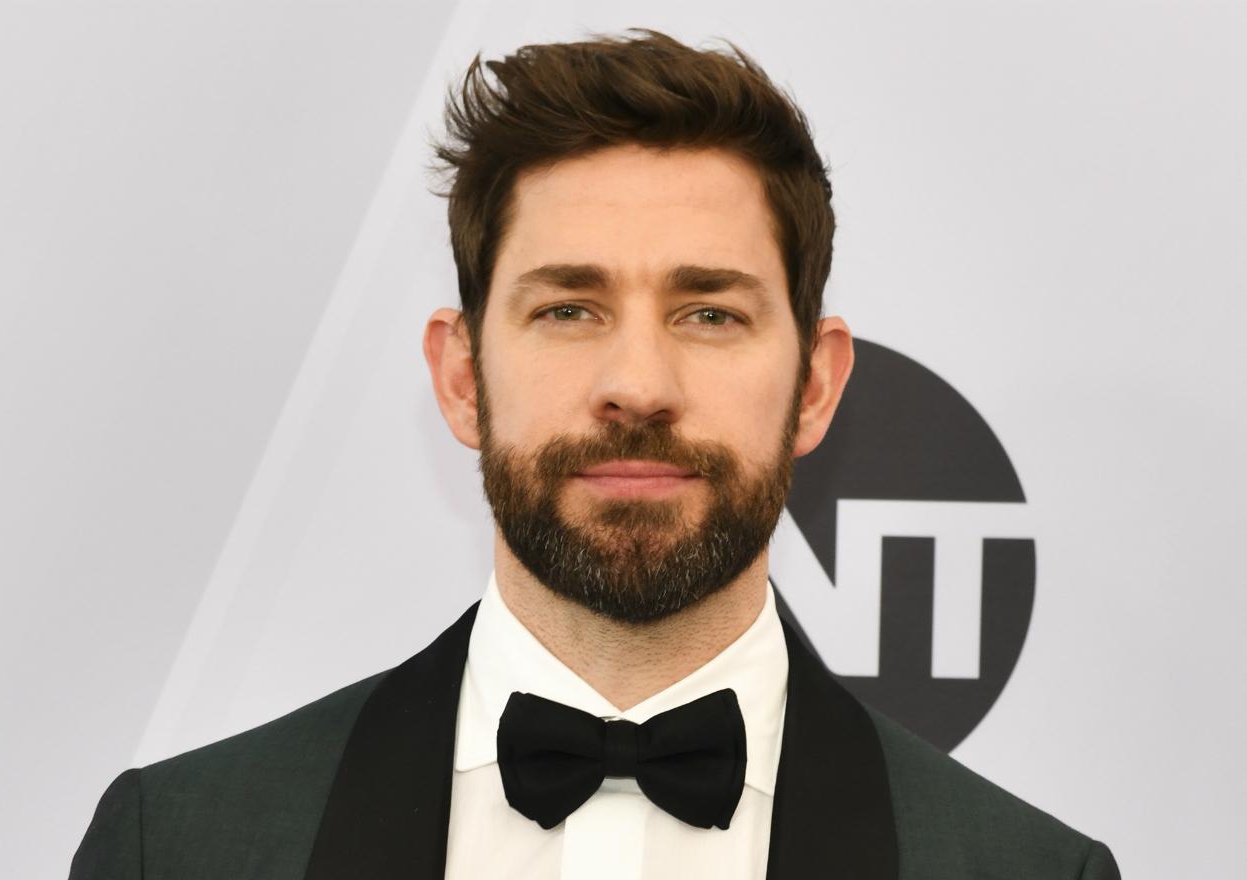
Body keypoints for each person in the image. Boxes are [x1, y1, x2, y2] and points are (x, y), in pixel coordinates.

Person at [70, 30, 1119, 879]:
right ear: (462, 377)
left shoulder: (1024, 869)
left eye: (709, 313)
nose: (640, 384)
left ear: (815, 385)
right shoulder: (182, 846)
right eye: (569, 307)